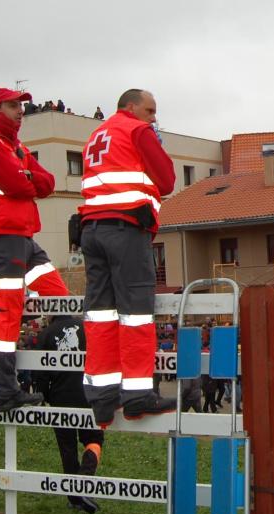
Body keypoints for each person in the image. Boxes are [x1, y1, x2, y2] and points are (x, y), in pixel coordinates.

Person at [78, 89, 177, 426]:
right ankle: (137, 396)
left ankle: (102, 398)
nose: (154, 117)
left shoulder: (97, 134)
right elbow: (167, 181)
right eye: (150, 110)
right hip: (126, 227)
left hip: (91, 229)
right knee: (136, 313)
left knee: (100, 314)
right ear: (131, 107)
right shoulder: (138, 130)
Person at [0, 87, 69, 413]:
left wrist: (25, 177)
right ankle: (5, 390)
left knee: (61, 298)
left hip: (22, 234)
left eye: (21, 105)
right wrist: (27, 177)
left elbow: (48, 182)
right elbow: (18, 185)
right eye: (13, 105)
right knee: (9, 312)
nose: (20, 110)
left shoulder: (14, 145)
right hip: (2, 234)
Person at [31, 315, 105, 514]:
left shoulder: (46, 333)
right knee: (94, 440)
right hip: (89, 394)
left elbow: (40, 371)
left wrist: (45, 395)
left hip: (60, 396)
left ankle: (74, 497)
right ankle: (85, 479)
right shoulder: (86, 327)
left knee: (67, 447)